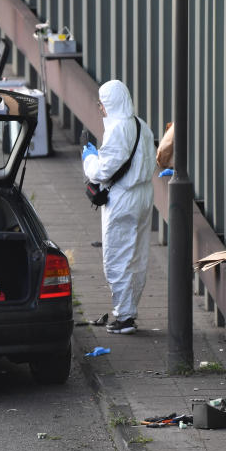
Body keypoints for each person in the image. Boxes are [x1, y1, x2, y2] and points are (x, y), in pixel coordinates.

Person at [81, 80, 156, 334]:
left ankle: (124, 317)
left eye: (102, 104)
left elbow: (102, 172)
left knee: (117, 256)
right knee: (136, 256)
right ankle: (129, 311)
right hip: (144, 195)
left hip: (124, 200)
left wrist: (89, 158)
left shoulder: (117, 130)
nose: (101, 109)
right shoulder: (141, 125)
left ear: (109, 104)